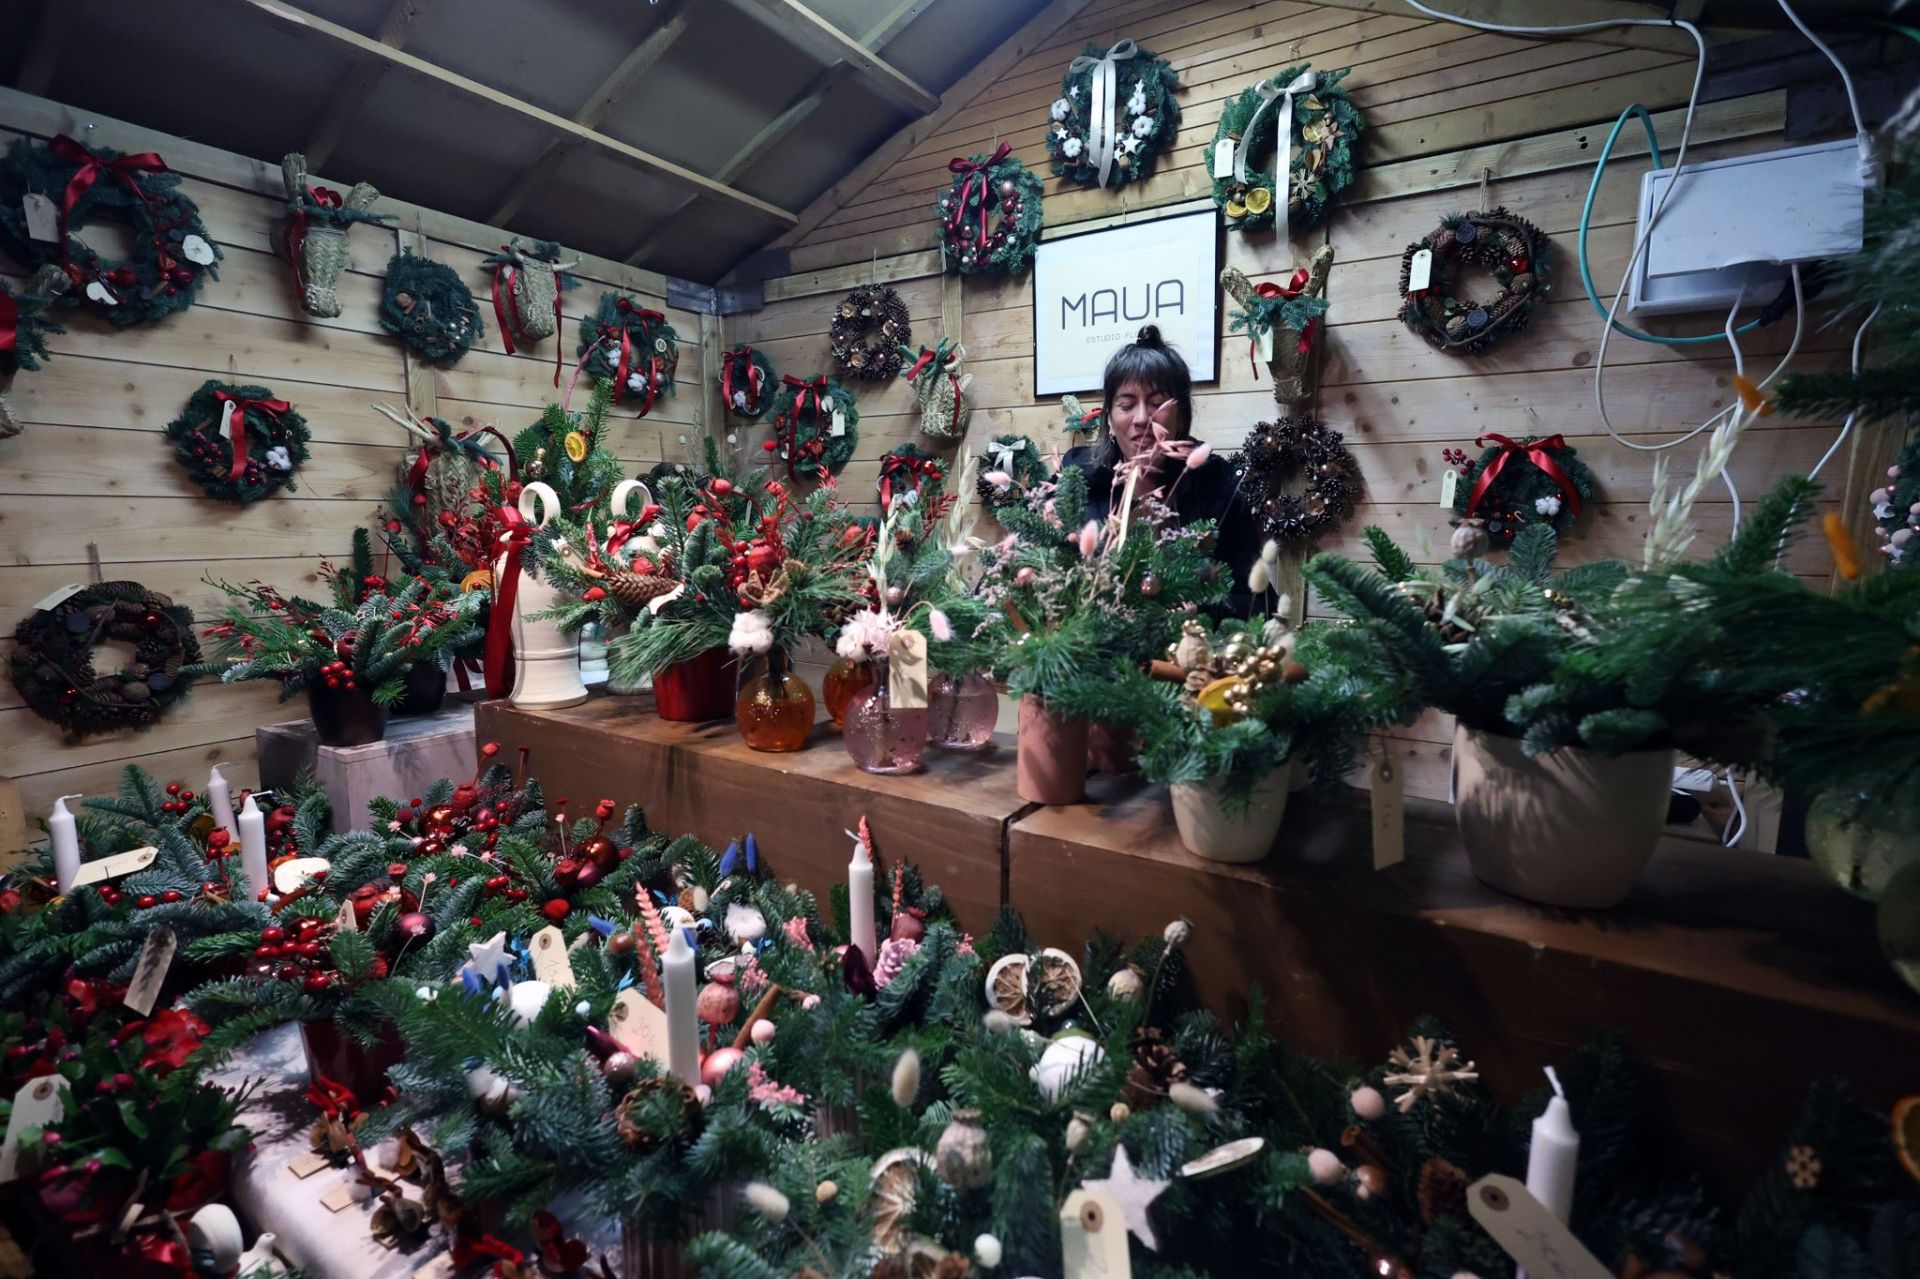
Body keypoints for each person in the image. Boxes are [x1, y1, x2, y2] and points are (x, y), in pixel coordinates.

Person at [1058, 324, 1260, 616]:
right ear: (1110, 419)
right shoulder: (1077, 478)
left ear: (1182, 414)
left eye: (1156, 403)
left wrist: (1201, 612)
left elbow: (1256, 598)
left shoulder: (1216, 484)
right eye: (1126, 405)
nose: (1142, 418)